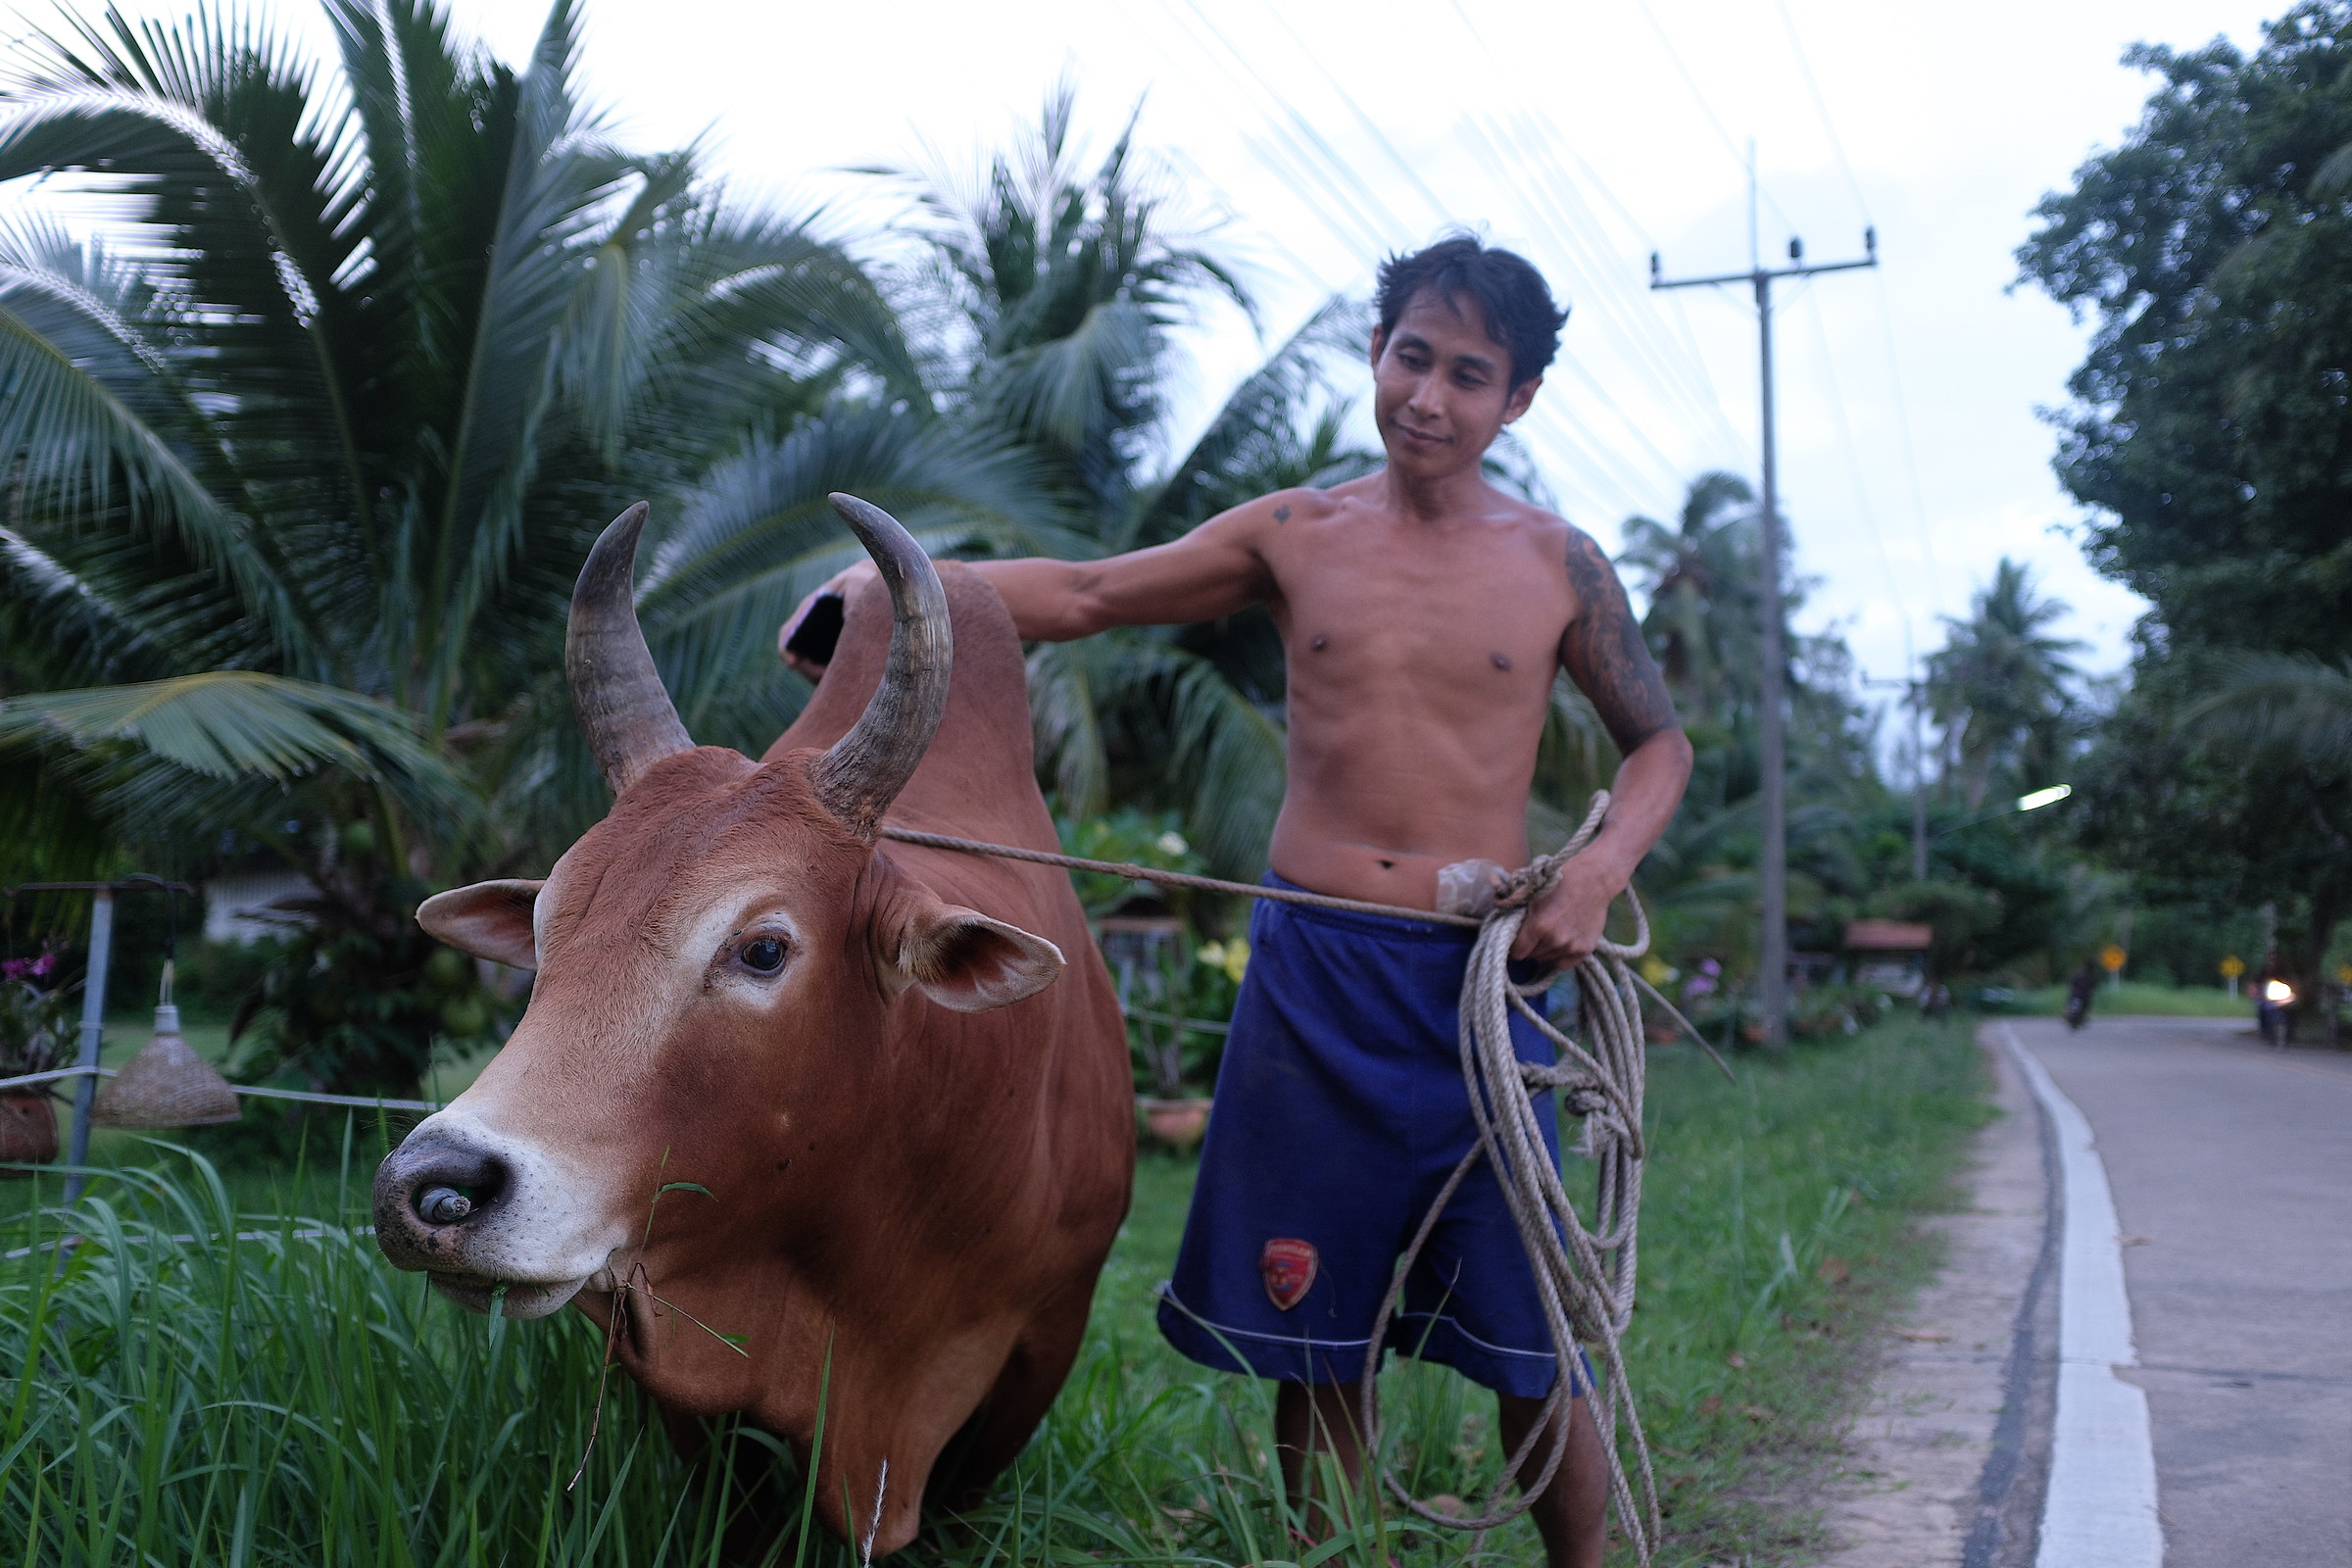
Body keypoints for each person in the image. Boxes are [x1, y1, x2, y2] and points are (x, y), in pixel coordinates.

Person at [780, 235, 1692, 1568]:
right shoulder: (1293, 534)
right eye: (1412, 357)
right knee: (1316, 1339)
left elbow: (1659, 747)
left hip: (1483, 989)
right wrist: (890, 593)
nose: (1428, 397)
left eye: (1469, 374)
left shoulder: (1563, 565)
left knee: (1536, 1342)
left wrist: (1598, 871)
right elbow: (1089, 594)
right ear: (1377, 353)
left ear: (1520, 399)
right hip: (1317, 978)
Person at [2065, 958, 2098, 1031]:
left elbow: (2071, 984)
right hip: (2084, 996)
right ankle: (2076, 1016)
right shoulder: (2091, 977)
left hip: (2075, 994)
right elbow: (2093, 988)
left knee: (2071, 1004)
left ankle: (2068, 1014)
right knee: (2085, 1006)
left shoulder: (2078, 974)